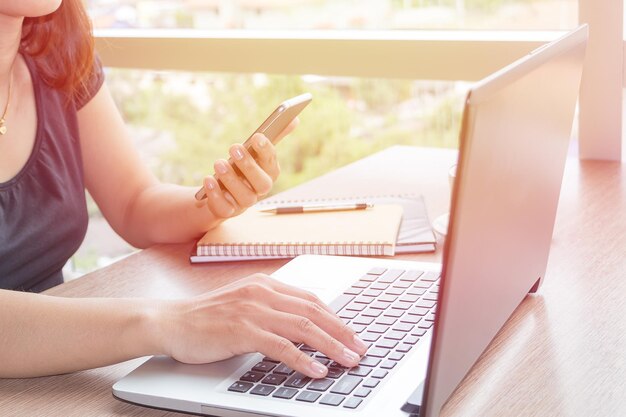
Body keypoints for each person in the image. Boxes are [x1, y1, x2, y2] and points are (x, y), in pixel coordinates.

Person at [0, 1, 367, 379]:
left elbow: (133, 203)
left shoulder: (57, 62)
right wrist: (169, 322)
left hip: (55, 374)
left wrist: (215, 200)